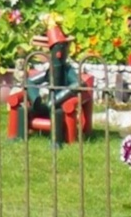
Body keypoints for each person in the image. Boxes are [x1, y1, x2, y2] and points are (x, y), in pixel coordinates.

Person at [20, 15, 86, 146]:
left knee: (57, 113)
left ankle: (55, 141)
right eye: (56, 50)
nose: (58, 54)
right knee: (23, 109)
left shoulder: (67, 70)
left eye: (61, 49)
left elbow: (78, 84)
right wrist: (36, 99)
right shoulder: (49, 70)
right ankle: (20, 136)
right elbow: (29, 81)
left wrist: (57, 99)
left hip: (58, 104)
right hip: (43, 103)